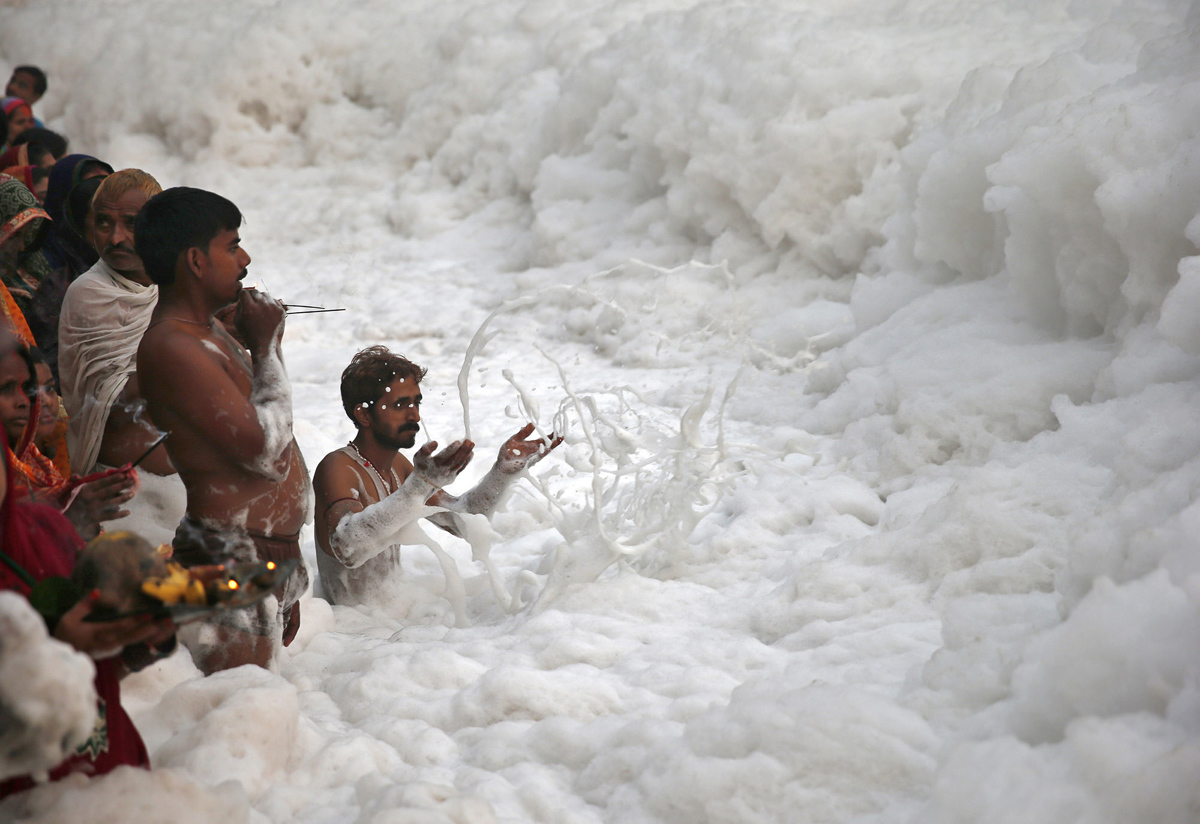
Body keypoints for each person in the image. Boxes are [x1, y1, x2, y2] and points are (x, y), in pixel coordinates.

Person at [136, 186, 311, 673]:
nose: (245, 258)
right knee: (236, 720)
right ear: (195, 260)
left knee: (253, 713)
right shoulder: (172, 346)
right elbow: (266, 454)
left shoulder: (207, 331)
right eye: (232, 246)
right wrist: (267, 345)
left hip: (259, 555)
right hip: (228, 555)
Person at [313, 346, 561, 606]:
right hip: (346, 633)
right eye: (400, 405)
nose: (415, 415)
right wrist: (422, 485)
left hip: (389, 621)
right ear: (364, 414)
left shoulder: (399, 466)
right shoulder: (338, 467)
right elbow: (348, 548)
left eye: (416, 402)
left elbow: (461, 522)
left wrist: (502, 472)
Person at [59, 169, 172, 477]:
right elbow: (114, 404)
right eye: (103, 222)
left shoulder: (171, 281)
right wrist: (199, 341)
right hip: (120, 481)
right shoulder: (89, 292)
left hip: (182, 482)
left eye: (131, 223)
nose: (115, 237)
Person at [1, 340, 135, 540]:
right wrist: (66, 512)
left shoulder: (39, 464)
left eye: (49, 389)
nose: (38, 401)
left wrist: (84, 518)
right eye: (6, 389)